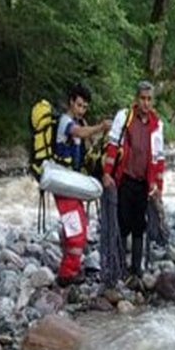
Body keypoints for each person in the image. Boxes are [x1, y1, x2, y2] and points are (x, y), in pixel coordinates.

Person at [103, 81, 167, 278]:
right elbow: (113, 146)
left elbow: (159, 158)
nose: (146, 103)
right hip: (124, 179)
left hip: (143, 183)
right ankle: (120, 265)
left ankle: (137, 268)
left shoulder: (157, 125)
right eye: (142, 98)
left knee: (140, 224)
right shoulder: (124, 117)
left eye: (149, 99)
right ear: (136, 99)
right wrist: (106, 173)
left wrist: (159, 187)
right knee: (122, 222)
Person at [54, 84, 110, 286]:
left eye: (85, 107)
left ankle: (71, 269)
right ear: (71, 102)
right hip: (63, 186)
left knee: (79, 226)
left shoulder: (77, 122)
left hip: (72, 185)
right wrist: (100, 127)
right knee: (76, 230)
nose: (81, 110)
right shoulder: (65, 122)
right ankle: (66, 274)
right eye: (79, 105)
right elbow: (78, 132)